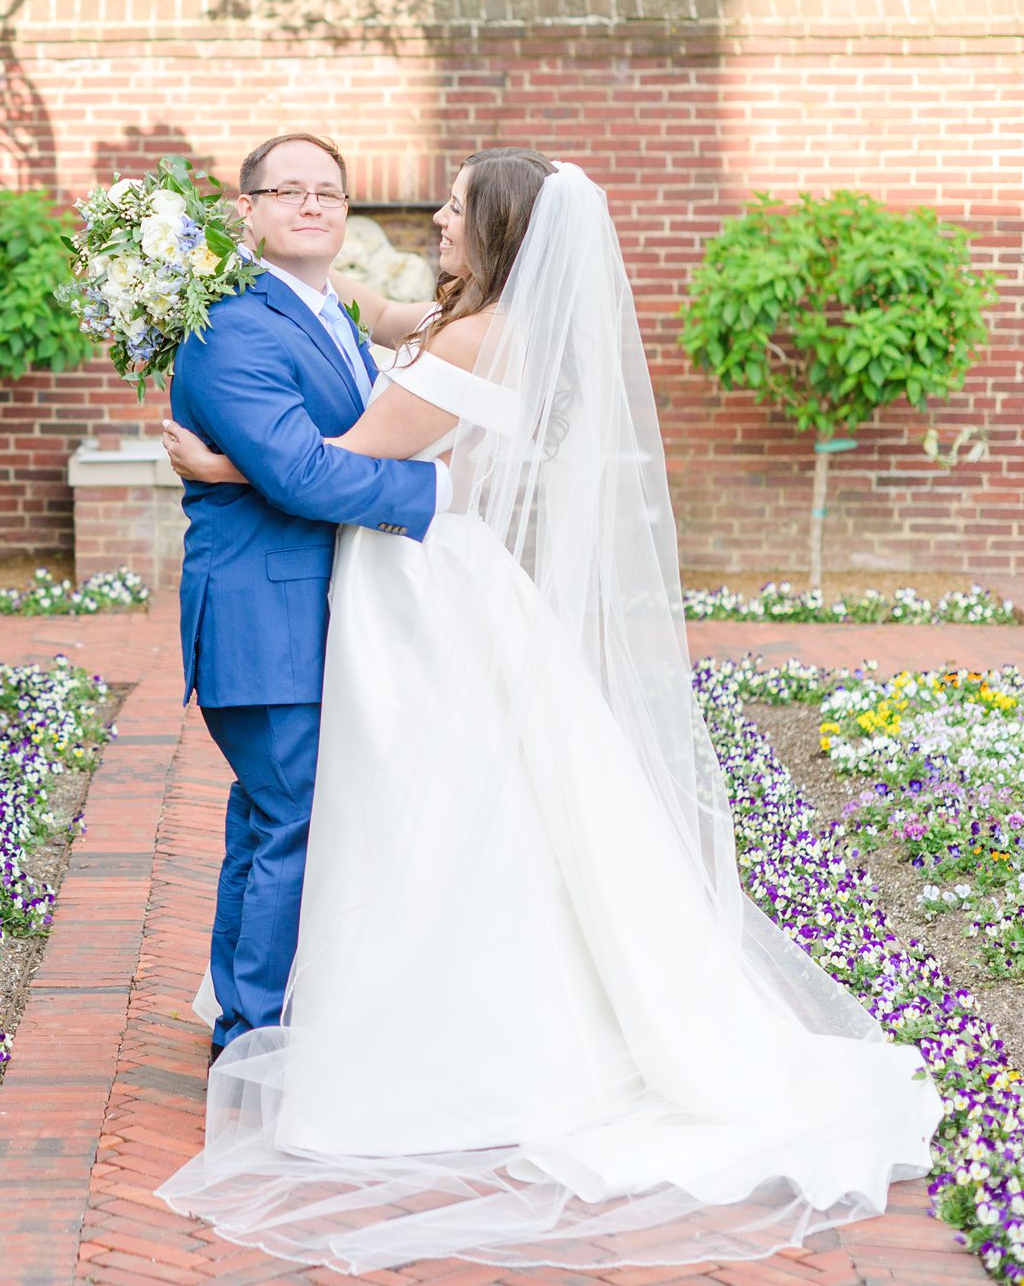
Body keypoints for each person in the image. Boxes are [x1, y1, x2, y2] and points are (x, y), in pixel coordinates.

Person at [154, 150, 944, 1273]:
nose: (432, 214)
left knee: (407, 806)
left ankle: (355, 1020)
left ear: (502, 232)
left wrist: (232, 469)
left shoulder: (476, 335)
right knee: (387, 804)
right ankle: (283, 1009)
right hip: (413, 580)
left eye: (456, 206)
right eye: (297, 193)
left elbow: (324, 468)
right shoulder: (440, 315)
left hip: (417, 577)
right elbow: (362, 317)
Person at [167, 132, 447, 1065]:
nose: (314, 204)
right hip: (264, 612)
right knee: (299, 817)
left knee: (270, 817)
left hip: (314, 610)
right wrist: (441, 497)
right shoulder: (234, 324)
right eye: (289, 189)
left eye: (329, 190)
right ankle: (256, 1043)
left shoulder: (329, 312)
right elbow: (299, 473)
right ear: (244, 211)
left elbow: (324, 446)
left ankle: (243, 1029)